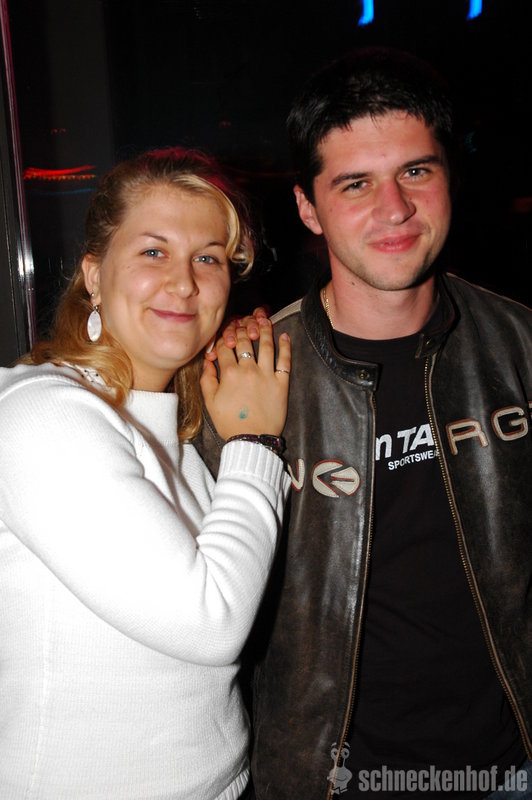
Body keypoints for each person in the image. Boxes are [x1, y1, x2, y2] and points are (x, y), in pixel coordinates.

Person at [197, 49, 531, 799]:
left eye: (416, 170)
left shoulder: (522, 347)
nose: (395, 208)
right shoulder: (240, 382)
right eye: (356, 184)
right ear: (308, 208)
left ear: (450, 177)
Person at [0, 147, 292, 799]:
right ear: (94, 276)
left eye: (208, 258)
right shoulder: (43, 415)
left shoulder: (171, 433)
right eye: (153, 251)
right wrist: (255, 439)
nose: (184, 283)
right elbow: (212, 623)